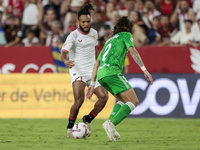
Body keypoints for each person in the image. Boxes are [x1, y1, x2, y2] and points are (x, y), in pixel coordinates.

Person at [86, 16, 153, 142]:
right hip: (112, 72)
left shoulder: (109, 40)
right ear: (129, 27)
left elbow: (97, 63)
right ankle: (110, 123)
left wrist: (92, 83)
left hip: (101, 75)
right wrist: (144, 70)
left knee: (122, 101)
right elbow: (133, 52)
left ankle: (111, 126)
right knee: (134, 101)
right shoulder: (126, 35)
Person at [60, 3, 108, 138]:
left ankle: (88, 118)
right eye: (83, 22)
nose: (86, 24)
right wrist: (65, 61)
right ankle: (70, 127)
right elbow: (63, 52)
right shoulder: (73, 36)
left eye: (88, 21)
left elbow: (95, 48)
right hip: (78, 69)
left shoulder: (94, 33)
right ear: (78, 22)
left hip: (92, 69)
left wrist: (98, 62)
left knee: (104, 97)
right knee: (79, 101)